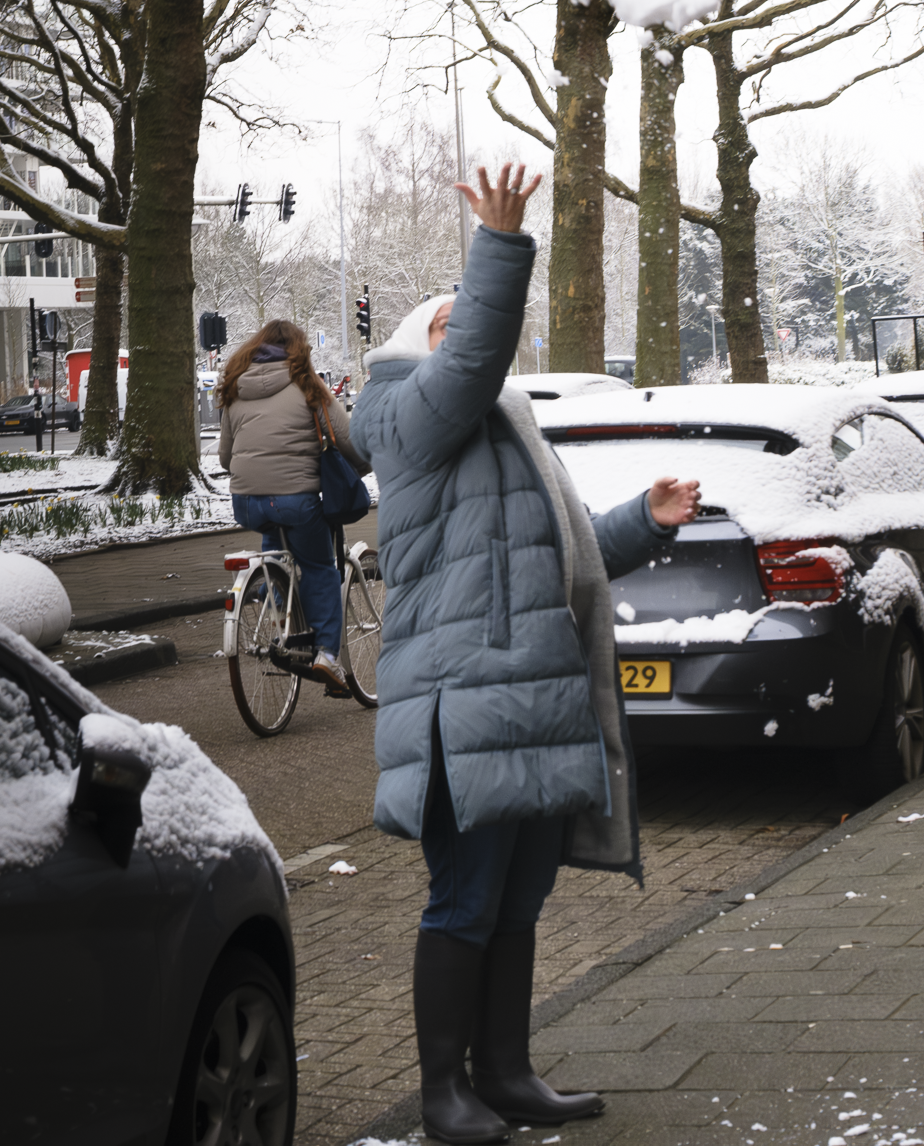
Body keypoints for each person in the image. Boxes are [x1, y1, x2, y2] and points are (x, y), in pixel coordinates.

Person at [352, 163, 701, 1146]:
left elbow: (566, 552)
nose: (469, 335)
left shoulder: (499, 432)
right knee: (464, 899)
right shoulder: (407, 416)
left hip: (527, 704)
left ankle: (503, 1073)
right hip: (463, 708)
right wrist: (500, 245)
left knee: (515, 898)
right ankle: (441, 1092)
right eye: (449, 321)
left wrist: (646, 521)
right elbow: (467, 362)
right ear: (417, 346)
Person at [216, 318, 368, 694]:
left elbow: (224, 457)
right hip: (296, 502)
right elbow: (345, 439)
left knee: (276, 548)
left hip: (247, 504)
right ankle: (327, 656)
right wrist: (363, 467)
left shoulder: (236, 387)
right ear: (300, 349)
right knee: (320, 567)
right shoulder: (307, 383)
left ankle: (282, 615)